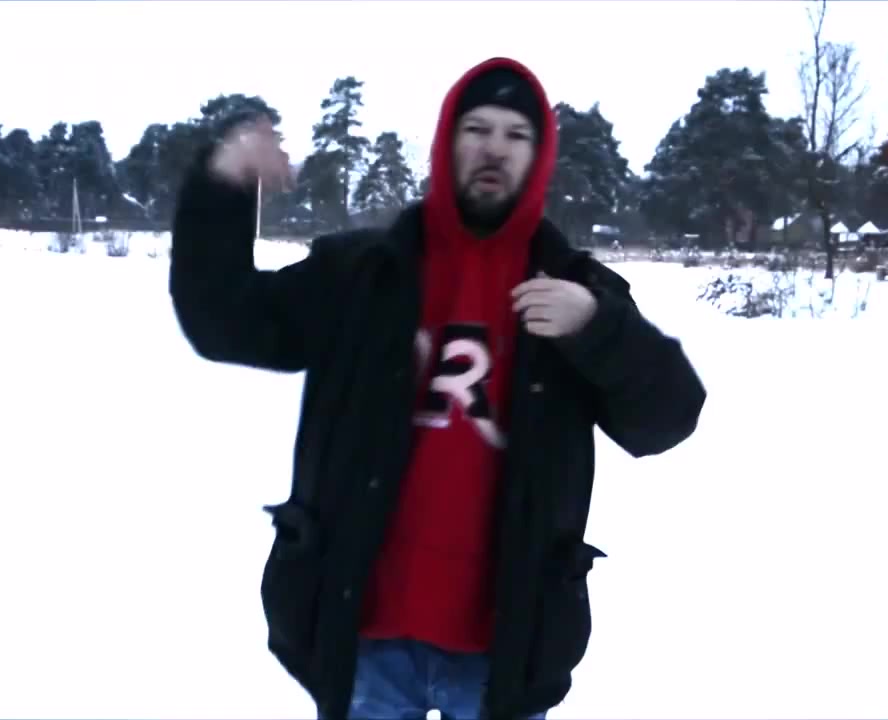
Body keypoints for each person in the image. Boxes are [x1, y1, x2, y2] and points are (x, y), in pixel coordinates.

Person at [169, 56, 706, 720]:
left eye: (516, 135)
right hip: (365, 641)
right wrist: (221, 186)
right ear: (446, 141)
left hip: (503, 654)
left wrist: (598, 329)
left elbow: (668, 418)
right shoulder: (362, 274)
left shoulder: (576, 291)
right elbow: (223, 320)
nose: (494, 148)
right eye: (477, 128)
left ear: (540, 157)